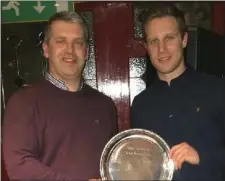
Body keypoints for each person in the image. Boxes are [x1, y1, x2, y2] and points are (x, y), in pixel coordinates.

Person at [2, 11, 118, 181]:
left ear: (86, 52)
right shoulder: (23, 102)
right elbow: (19, 166)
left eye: (77, 43)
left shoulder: (105, 105)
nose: (70, 50)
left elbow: (113, 161)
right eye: (61, 41)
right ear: (46, 49)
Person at [130, 3, 225, 181]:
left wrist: (202, 156)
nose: (162, 49)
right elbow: (139, 166)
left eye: (169, 38)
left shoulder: (218, 90)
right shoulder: (140, 104)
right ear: (146, 47)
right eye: (154, 41)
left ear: (184, 40)